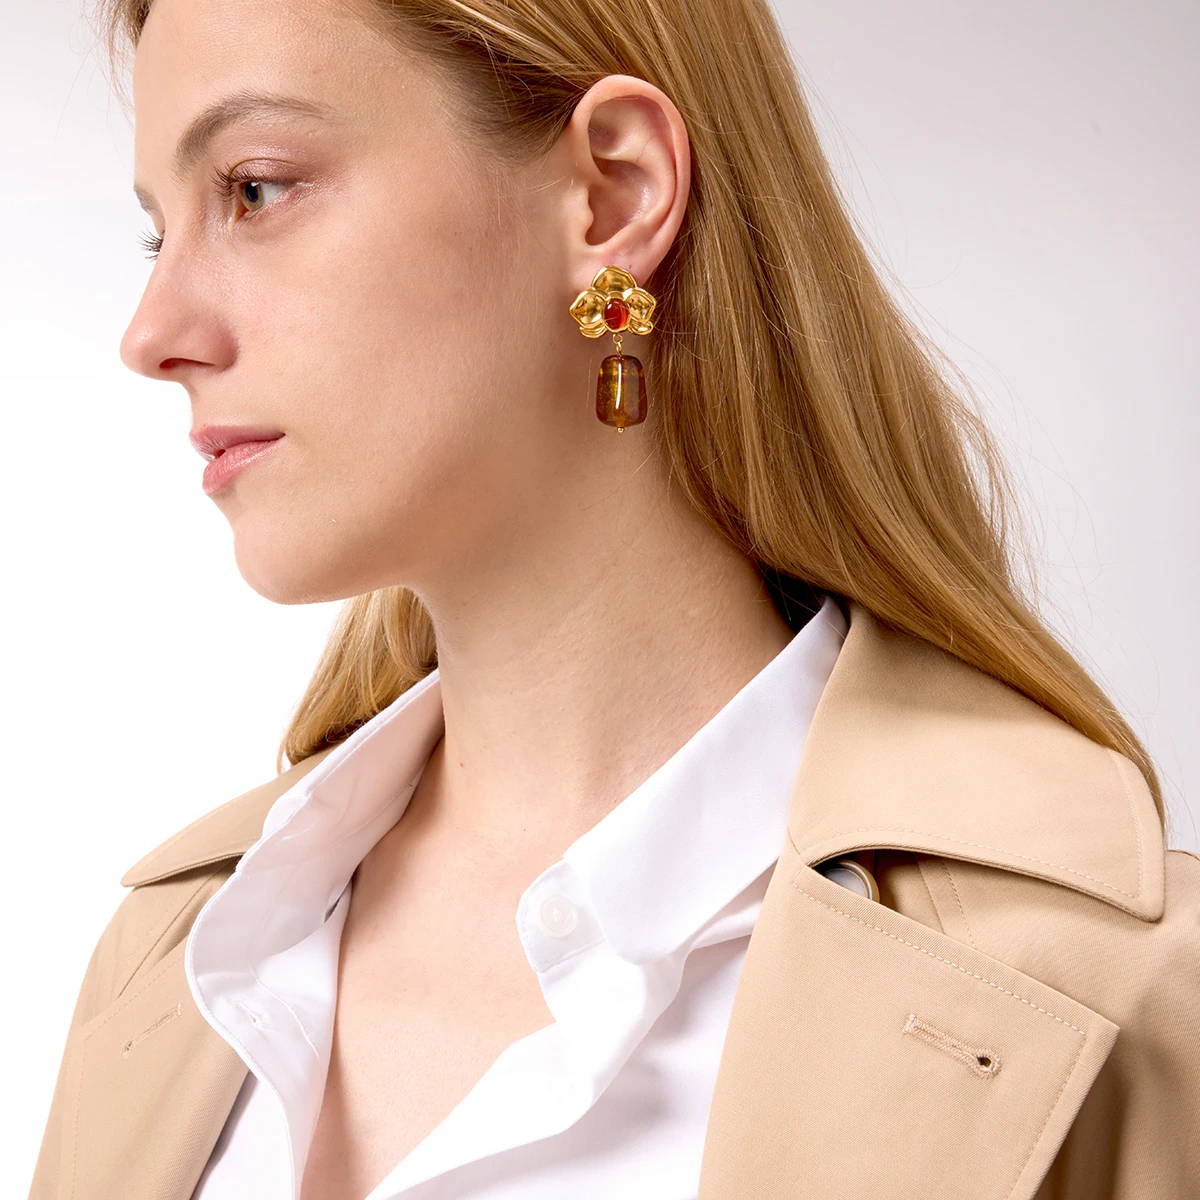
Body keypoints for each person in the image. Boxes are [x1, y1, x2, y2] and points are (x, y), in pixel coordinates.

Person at [30, 0, 1200, 1196]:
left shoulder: (1123, 995)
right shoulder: (171, 962)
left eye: (255, 190)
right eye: (157, 236)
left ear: (612, 196)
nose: (151, 333)